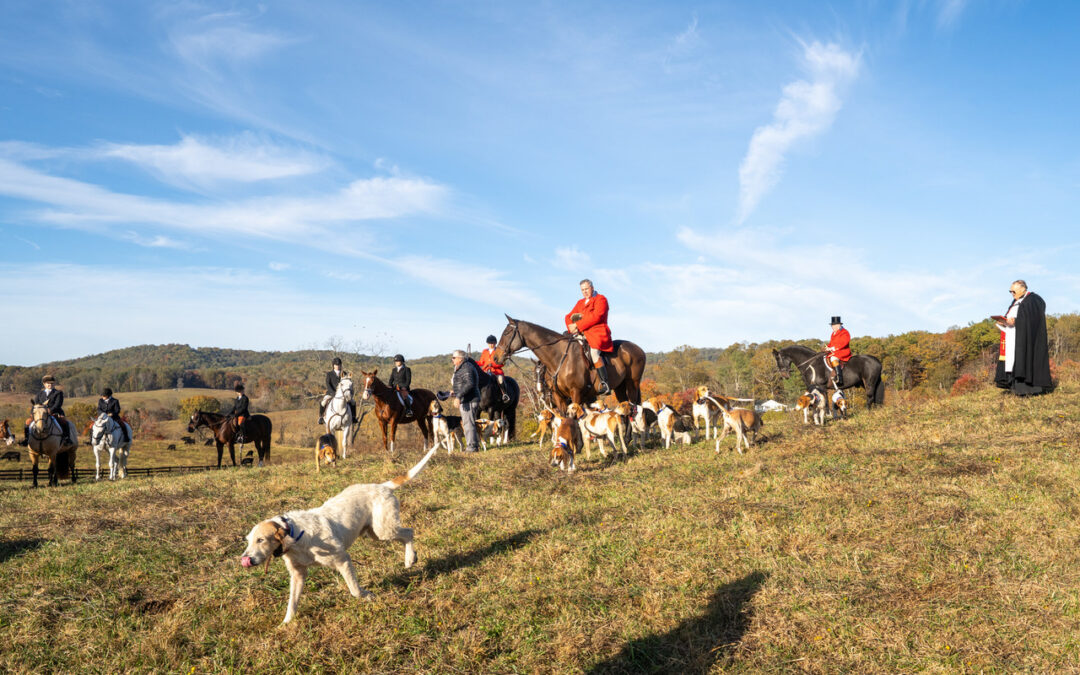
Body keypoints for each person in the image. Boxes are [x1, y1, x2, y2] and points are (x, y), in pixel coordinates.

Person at [995, 280, 1052, 396]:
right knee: (1012, 361)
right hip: (1012, 336)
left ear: (1022, 289)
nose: (1012, 293)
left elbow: (1034, 317)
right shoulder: (1015, 302)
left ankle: (1028, 390)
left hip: (1026, 338)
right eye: (1010, 291)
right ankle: (1015, 388)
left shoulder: (1033, 300)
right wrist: (1004, 321)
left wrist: (1016, 321)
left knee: (1024, 359)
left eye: (1013, 291)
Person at [565, 278, 613, 395]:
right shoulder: (580, 302)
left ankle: (605, 383)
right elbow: (568, 316)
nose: (585, 292)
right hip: (582, 332)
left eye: (586, 289)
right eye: (582, 290)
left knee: (594, 353)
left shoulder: (601, 299)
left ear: (592, 287)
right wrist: (570, 326)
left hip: (598, 333)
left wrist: (577, 325)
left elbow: (596, 317)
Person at [26, 375, 71, 446]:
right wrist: (32, 413)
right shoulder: (39, 394)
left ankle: (67, 439)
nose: (50, 385)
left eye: (52, 383)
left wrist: (51, 410)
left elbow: (58, 404)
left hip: (55, 412)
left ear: (54, 384)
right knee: (28, 422)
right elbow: (35, 405)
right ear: (44, 384)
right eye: (48, 383)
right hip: (40, 414)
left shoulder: (58, 393)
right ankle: (26, 439)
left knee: (64, 422)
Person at [452, 349, 481, 452]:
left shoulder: (466, 367)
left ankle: (472, 448)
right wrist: (454, 392)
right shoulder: (462, 367)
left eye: (454, 357)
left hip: (469, 400)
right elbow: (464, 384)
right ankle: (474, 445)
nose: (452, 359)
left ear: (460, 358)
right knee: (468, 423)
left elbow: (469, 384)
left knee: (468, 424)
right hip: (467, 399)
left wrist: (458, 396)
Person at [318, 357, 356, 424]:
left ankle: (353, 417)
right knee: (323, 402)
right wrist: (333, 392)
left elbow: (347, 383)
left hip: (343, 394)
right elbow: (328, 384)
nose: (338, 366)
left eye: (339, 365)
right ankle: (321, 417)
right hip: (331, 393)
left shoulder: (344, 373)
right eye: (336, 365)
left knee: (353, 402)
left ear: (341, 365)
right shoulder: (329, 374)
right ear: (333, 365)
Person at [477, 335, 511, 402]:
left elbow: (502, 364)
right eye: (489, 343)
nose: (491, 345)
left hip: (496, 371)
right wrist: (473, 361)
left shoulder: (499, 352)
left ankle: (504, 394)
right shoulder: (484, 351)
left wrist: (493, 365)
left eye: (492, 343)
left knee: (500, 379)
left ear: (495, 343)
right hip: (486, 371)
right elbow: (481, 362)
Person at [825, 316, 852, 389]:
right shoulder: (833, 333)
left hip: (843, 351)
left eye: (833, 325)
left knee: (833, 358)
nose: (832, 327)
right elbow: (831, 343)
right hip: (835, 351)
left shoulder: (845, 332)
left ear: (838, 325)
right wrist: (828, 347)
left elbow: (844, 343)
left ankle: (840, 379)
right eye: (832, 325)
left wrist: (833, 348)